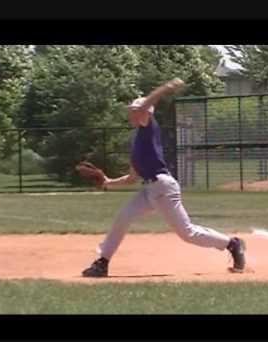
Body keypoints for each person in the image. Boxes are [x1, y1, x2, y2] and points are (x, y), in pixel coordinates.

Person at [82, 78, 246, 277]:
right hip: (150, 190)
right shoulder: (137, 143)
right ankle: (102, 262)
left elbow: (146, 106)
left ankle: (231, 244)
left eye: (134, 109)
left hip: (163, 188)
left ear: (145, 113)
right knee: (122, 218)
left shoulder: (148, 126)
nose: (130, 112)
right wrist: (109, 183)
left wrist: (166, 88)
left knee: (188, 233)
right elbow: (131, 178)